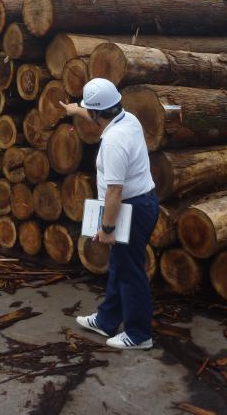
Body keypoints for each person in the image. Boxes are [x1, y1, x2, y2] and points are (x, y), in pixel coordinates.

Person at [60, 78, 159, 350]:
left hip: (130, 209)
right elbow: (96, 115)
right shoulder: (128, 119)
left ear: (96, 112)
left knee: (130, 272)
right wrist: (74, 110)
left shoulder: (114, 142)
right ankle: (106, 320)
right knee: (120, 266)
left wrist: (106, 229)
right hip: (141, 203)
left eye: (88, 110)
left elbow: (114, 192)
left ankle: (139, 335)